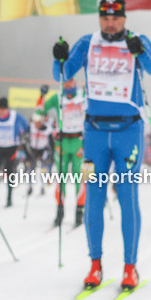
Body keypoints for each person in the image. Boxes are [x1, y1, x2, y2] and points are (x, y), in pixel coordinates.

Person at [52, 0, 151, 291]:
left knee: (127, 198)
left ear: (124, 18)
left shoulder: (138, 40)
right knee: (93, 197)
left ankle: (130, 268)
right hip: (94, 135)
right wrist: (59, 57)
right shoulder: (87, 43)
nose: (110, 23)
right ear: (99, 18)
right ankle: (95, 265)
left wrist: (140, 53)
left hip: (129, 132)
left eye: (115, 18)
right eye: (105, 17)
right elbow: (62, 75)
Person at [38, 77, 86, 226]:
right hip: (62, 142)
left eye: (70, 81)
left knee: (80, 177)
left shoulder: (83, 96)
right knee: (61, 177)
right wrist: (42, 96)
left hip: (79, 142)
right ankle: (60, 211)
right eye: (65, 82)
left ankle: (80, 212)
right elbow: (41, 110)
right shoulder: (58, 97)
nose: (68, 84)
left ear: (75, 82)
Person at [0, 96, 28, 208]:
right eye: (0, 109)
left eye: (4, 110)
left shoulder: (15, 116)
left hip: (11, 148)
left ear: (7, 109)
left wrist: (23, 134)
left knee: (10, 173)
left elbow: (25, 126)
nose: (1, 112)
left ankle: (9, 198)